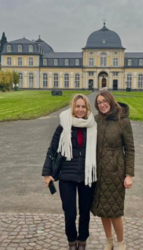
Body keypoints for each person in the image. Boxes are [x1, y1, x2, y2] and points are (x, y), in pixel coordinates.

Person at [42, 94, 97, 250]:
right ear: (73, 108)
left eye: (83, 106)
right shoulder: (64, 125)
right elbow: (52, 150)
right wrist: (47, 173)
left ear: (87, 108)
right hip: (67, 175)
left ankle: (83, 241)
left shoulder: (93, 125)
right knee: (70, 213)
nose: (80, 109)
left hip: (87, 176)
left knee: (85, 213)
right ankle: (72, 241)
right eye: (77, 106)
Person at [91, 91, 135, 250]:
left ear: (111, 101)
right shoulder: (97, 120)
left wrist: (129, 175)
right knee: (103, 209)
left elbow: (130, 149)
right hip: (99, 172)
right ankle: (109, 240)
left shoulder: (123, 121)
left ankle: (121, 242)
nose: (102, 104)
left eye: (104, 101)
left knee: (115, 210)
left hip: (115, 171)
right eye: (99, 102)